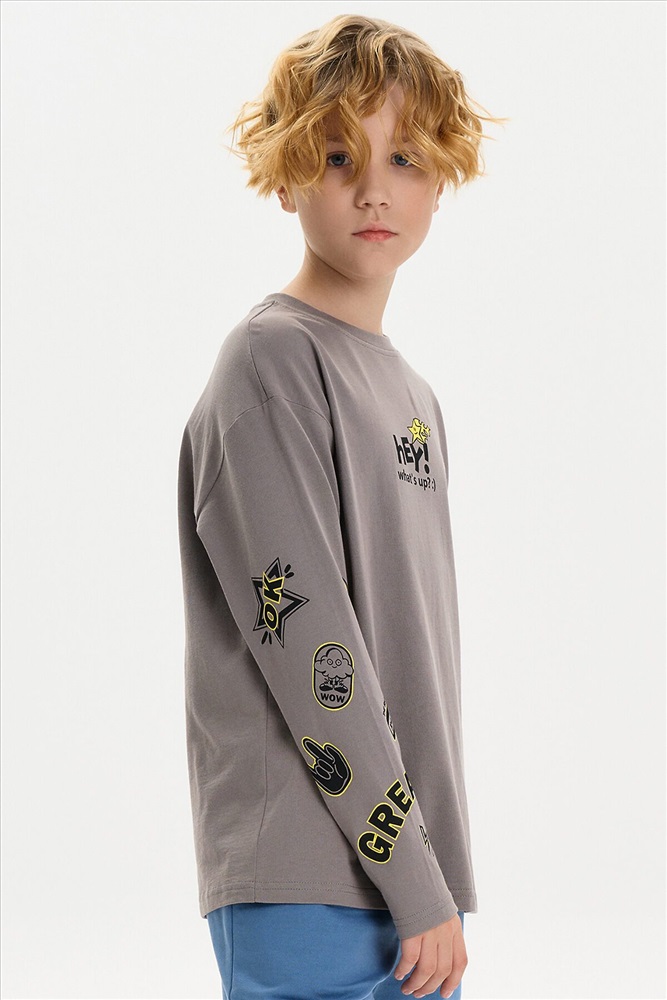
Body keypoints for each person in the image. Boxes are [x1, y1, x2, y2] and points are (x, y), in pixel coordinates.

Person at [177, 14, 505, 1000]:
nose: (373, 189)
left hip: (410, 885)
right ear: (284, 175)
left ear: (440, 179)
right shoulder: (271, 362)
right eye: (335, 158)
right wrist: (416, 881)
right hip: (306, 876)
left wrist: (428, 880)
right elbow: (311, 642)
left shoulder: (412, 395)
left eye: (404, 158)